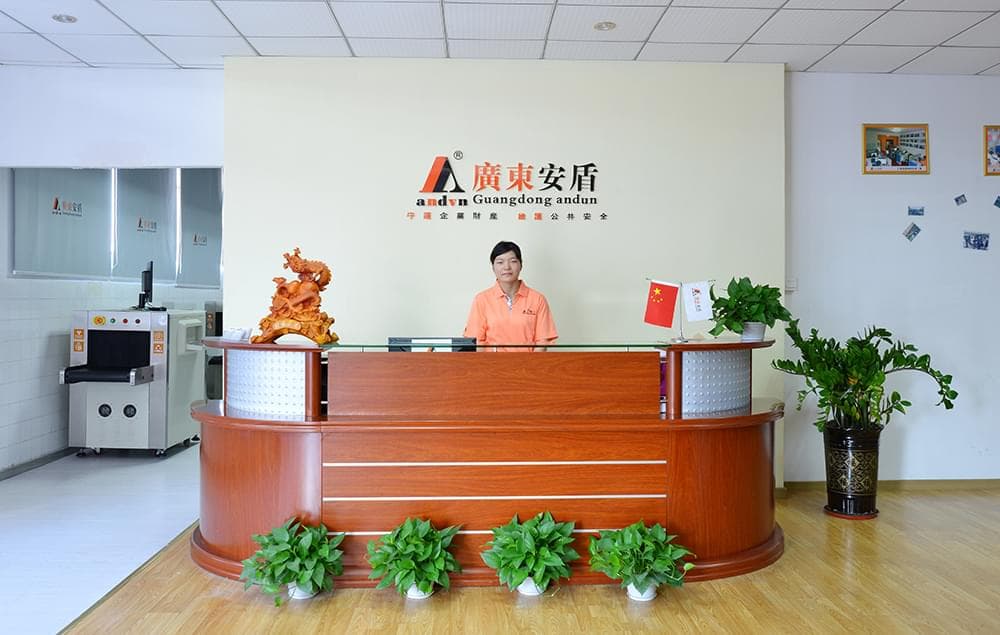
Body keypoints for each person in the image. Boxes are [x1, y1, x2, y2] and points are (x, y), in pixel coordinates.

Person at [464, 241, 557, 351]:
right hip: (492, 362)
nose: (506, 267)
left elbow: (542, 343)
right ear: (493, 267)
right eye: (500, 262)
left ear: (521, 265)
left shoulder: (538, 299)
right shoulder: (482, 300)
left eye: (513, 261)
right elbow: (476, 342)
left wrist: (529, 362)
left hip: (528, 362)